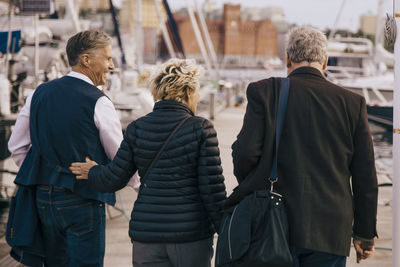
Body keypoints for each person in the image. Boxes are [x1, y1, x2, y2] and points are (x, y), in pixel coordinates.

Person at [225, 26, 378, 267]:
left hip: (272, 224)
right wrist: (364, 233)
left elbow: (245, 153)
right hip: (330, 230)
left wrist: (257, 184)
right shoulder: (353, 103)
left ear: (287, 57)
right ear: (325, 61)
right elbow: (365, 175)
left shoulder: (264, 92)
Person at [70, 58, 227, 267]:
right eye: (197, 91)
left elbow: (114, 178)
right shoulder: (201, 129)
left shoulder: (137, 128)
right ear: (188, 91)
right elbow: (212, 190)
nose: (198, 97)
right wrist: (226, 232)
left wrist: (93, 171)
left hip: (147, 237)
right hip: (190, 236)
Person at [8, 30, 123, 266]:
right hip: (82, 197)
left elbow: (16, 146)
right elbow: (120, 159)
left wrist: (45, 171)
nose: (112, 66)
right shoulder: (99, 101)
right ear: (87, 60)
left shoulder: (38, 93)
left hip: (42, 198)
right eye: (108, 58)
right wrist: (142, 188)